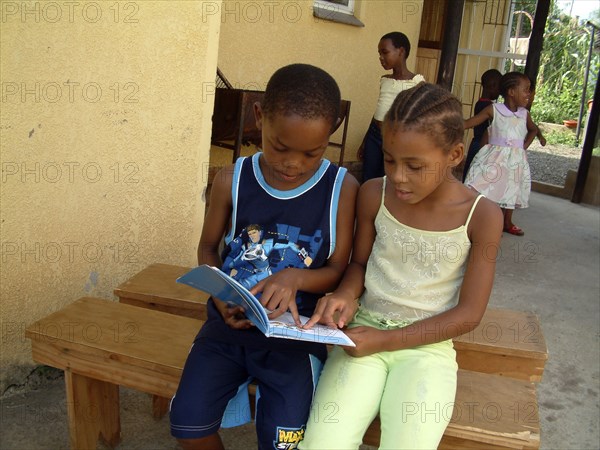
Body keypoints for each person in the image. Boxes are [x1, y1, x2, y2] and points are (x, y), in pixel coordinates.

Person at [300, 82, 503, 449]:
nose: (398, 176)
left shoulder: (482, 215)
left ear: (456, 154)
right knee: (321, 443)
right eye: (390, 159)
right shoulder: (373, 193)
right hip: (362, 334)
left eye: (414, 165)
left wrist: (388, 340)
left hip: (429, 348)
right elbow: (359, 263)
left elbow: (470, 313)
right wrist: (345, 293)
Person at [170, 64, 359, 450]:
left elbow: (339, 268)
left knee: (283, 442)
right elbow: (209, 247)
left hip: (295, 338)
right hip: (228, 327)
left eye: (312, 152)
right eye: (279, 146)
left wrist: (297, 279)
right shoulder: (232, 179)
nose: (293, 163)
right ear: (259, 117)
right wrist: (220, 294)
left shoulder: (341, 188)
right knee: (187, 423)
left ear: (332, 132)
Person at [463, 71, 539, 236]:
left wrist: (523, 145)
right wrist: (454, 124)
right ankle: (476, 218)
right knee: (485, 186)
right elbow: (472, 122)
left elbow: (533, 129)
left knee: (511, 188)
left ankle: (507, 222)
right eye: (526, 89)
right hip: (494, 158)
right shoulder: (494, 109)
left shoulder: (525, 114)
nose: (529, 94)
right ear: (511, 92)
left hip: (515, 160)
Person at [358, 31, 425, 182]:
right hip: (374, 136)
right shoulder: (385, 80)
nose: (381, 58)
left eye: (385, 52)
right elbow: (379, 111)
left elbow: (418, 117)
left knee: (385, 179)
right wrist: (365, 141)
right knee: (367, 177)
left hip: (395, 137)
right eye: (379, 53)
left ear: (401, 51)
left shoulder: (416, 82)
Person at [462, 68, 502, 182]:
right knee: (474, 174)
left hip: (476, 141)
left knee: (470, 172)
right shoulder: (489, 107)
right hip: (481, 144)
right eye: (499, 88)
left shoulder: (480, 102)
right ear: (492, 86)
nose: (500, 92)